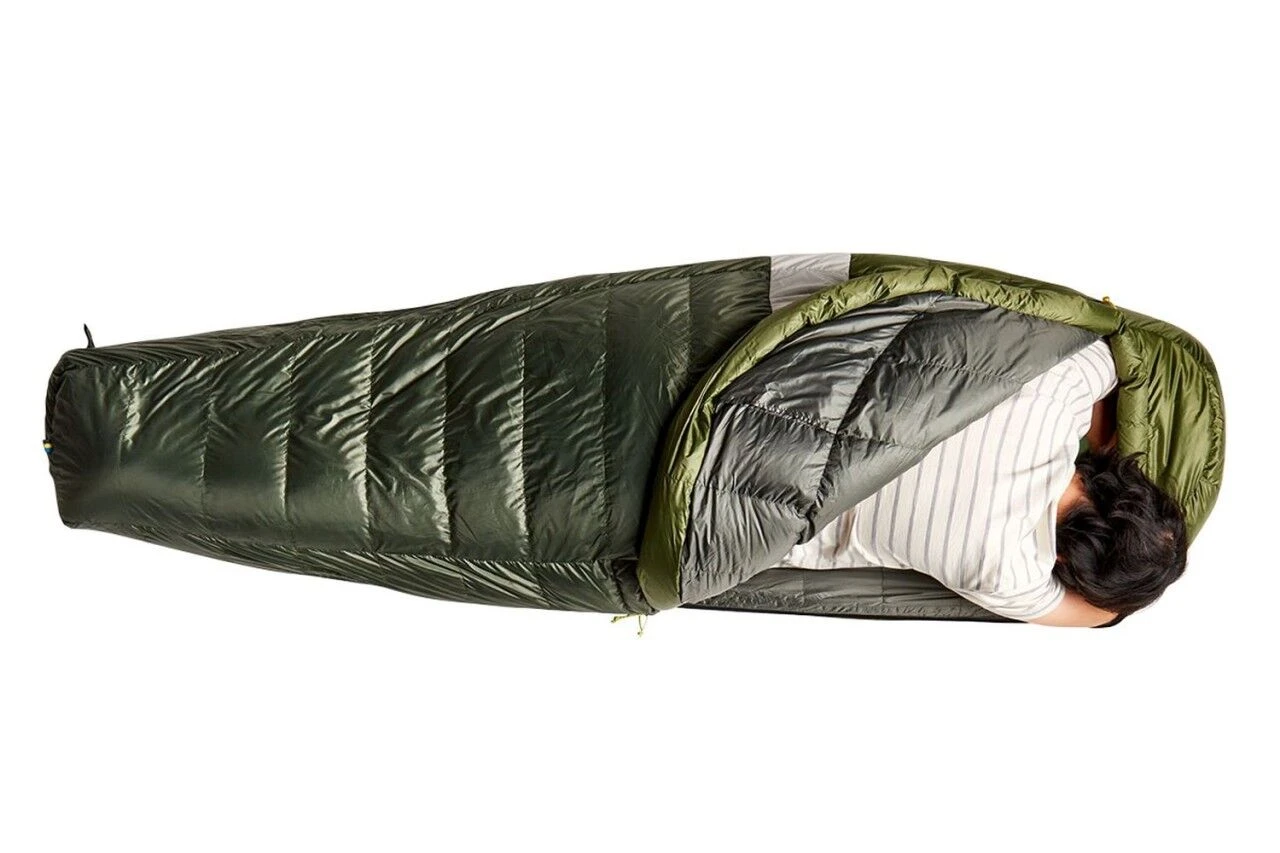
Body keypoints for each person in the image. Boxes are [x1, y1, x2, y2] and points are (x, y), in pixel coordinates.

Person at [775, 337, 1189, 628]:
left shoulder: (1059, 388)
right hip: (776, 506)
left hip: (809, 365)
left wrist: (1105, 446)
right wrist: (1123, 589)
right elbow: (1099, 616)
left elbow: (1125, 352)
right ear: (1070, 564)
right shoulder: (1007, 574)